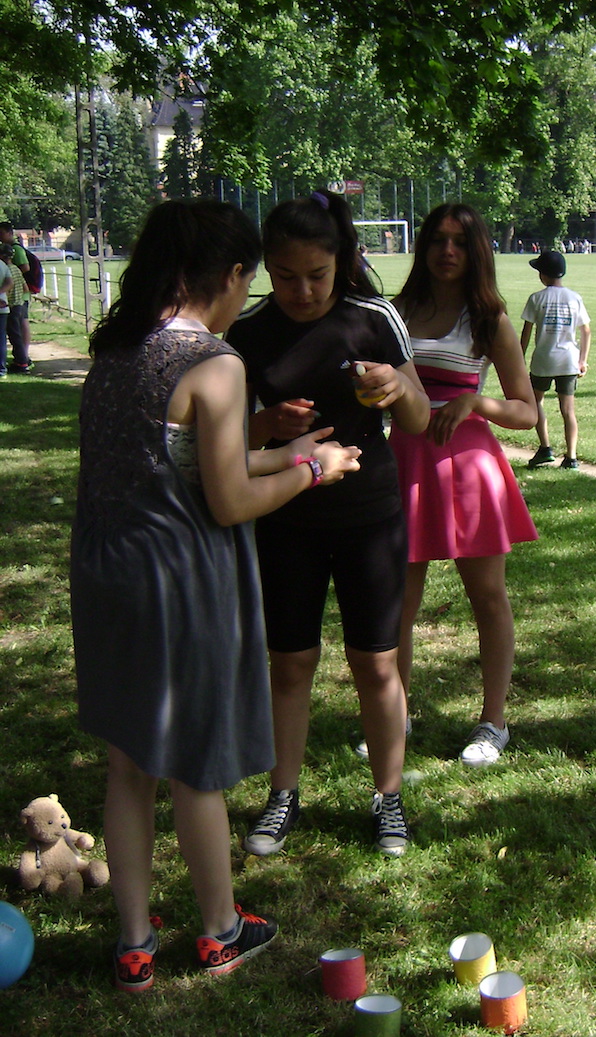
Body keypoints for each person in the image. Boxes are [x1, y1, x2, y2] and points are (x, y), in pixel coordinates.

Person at [70, 199, 361, 991]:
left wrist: (288, 451)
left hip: (106, 579)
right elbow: (228, 501)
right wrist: (313, 471)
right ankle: (219, 929)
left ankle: (134, 946)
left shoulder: (116, 349)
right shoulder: (214, 361)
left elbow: (181, 467)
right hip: (178, 582)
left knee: (128, 763)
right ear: (231, 274)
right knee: (196, 765)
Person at [227, 190, 431, 858]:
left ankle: (388, 797)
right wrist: (267, 422)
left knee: (376, 662)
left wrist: (396, 389)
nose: (303, 291)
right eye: (286, 276)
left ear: (340, 262)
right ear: (267, 267)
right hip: (285, 517)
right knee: (291, 662)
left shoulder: (374, 317)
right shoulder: (249, 331)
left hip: (370, 516)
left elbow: (419, 419)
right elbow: (226, 441)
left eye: (317, 274)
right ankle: (283, 794)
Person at [392, 204, 539, 768]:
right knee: (398, 602)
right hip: (405, 461)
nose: (447, 251)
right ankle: (394, 712)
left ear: (476, 251)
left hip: (470, 469)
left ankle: (493, 722)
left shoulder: (488, 318)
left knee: (488, 596)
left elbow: (526, 411)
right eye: (437, 240)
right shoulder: (398, 312)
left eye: (459, 242)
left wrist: (476, 401)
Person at [520, 249, 591, 470]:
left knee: (536, 401)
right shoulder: (574, 298)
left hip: (543, 359)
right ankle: (571, 457)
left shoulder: (536, 298)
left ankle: (545, 447)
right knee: (568, 410)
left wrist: (519, 357)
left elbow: (526, 332)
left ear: (543, 275)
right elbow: (586, 330)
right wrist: (582, 360)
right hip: (568, 360)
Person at [0, 222, 33, 372]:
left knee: (14, 334)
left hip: (11, 305)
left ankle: (21, 362)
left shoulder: (6, 269)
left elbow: (10, 285)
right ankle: (23, 359)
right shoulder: (15, 270)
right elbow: (25, 287)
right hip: (19, 303)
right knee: (16, 333)